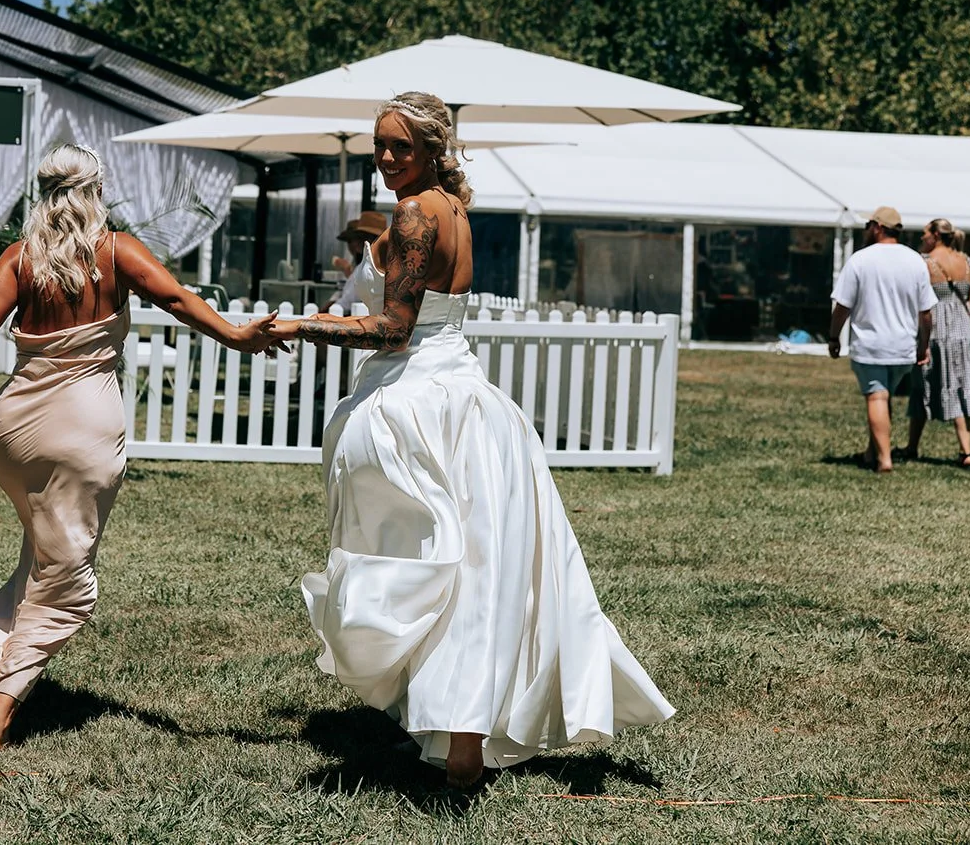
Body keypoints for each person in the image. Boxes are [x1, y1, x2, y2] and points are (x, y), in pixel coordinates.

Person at [262, 93, 674, 790]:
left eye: (401, 147)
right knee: (473, 566)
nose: (387, 158)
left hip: (423, 401)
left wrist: (302, 326)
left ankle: (455, 740)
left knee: (427, 566)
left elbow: (394, 329)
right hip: (464, 395)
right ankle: (456, 735)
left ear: (432, 149)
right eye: (379, 145)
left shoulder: (419, 211)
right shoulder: (455, 207)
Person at [0, 145, 281, 756]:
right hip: (85, 429)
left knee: (44, 551)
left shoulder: (20, 258)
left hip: (15, 432)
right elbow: (176, 299)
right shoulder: (118, 251)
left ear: (41, 192)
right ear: (96, 191)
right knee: (67, 574)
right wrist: (237, 336)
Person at [827, 207, 937, 473]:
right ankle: (871, 452)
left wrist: (833, 336)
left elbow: (843, 305)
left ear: (877, 226)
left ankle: (884, 459)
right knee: (883, 396)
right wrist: (923, 345)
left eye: (868, 225)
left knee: (876, 397)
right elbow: (926, 313)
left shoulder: (860, 260)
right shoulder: (915, 261)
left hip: (871, 343)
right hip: (902, 345)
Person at [903, 218, 970, 467]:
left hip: (936, 328)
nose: (922, 238)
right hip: (964, 329)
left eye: (925, 234)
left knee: (923, 385)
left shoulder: (924, 262)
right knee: (960, 385)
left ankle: (912, 446)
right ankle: (966, 451)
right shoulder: (966, 261)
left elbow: (917, 298)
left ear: (936, 235)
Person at [328, 210, 387, 310]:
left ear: (373, 238)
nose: (356, 243)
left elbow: (345, 303)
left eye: (360, 237)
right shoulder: (366, 266)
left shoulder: (364, 268)